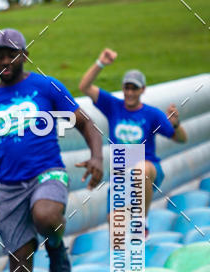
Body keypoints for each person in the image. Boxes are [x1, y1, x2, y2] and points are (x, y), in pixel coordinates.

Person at [0, 28, 103, 272]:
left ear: (24, 56)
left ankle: (56, 245)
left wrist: (97, 157)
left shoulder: (47, 87)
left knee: (45, 216)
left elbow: (85, 123)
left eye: (11, 55)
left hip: (47, 173)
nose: (4, 61)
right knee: (19, 268)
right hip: (9, 188)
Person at [78, 49, 187, 231]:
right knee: (116, 229)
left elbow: (181, 139)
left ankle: (141, 221)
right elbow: (85, 87)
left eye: (134, 88)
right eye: (127, 88)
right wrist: (101, 63)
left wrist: (176, 125)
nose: (130, 92)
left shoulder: (152, 114)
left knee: (140, 170)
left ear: (142, 90)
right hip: (121, 171)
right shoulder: (113, 106)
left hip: (148, 168)